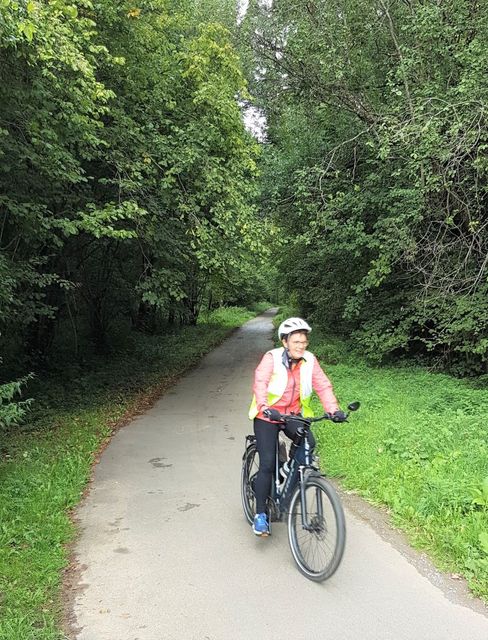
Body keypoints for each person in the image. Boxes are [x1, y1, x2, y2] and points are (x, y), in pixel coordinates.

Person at [248, 317, 346, 536]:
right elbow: (260, 382)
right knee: (266, 464)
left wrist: (333, 410)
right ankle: (261, 514)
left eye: (304, 341)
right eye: (296, 342)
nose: (301, 345)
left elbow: (323, 385)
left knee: (308, 445)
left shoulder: (310, 360)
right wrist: (264, 407)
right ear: (285, 342)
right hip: (268, 416)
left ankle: (286, 477)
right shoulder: (271, 358)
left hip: (292, 414)